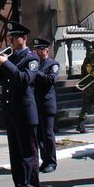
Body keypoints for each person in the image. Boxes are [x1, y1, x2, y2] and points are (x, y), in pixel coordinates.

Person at [0, 21, 40, 187]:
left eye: (14, 37)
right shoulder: (10, 58)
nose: (10, 40)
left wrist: (6, 63)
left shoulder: (31, 58)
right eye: (9, 37)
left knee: (28, 155)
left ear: (23, 39)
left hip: (26, 113)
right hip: (11, 113)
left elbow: (24, 79)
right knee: (15, 156)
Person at [32, 37, 59, 173]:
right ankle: (45, 160)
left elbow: (50, 79)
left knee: (48, 135)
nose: (37, 52)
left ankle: (52, 162)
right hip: (36, 104)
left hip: (47, 104)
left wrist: (34, 72)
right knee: (40, 136)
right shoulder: (36, 64)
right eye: (36, 49)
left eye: (40, 49)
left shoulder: (53, 64)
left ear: (47, 50)